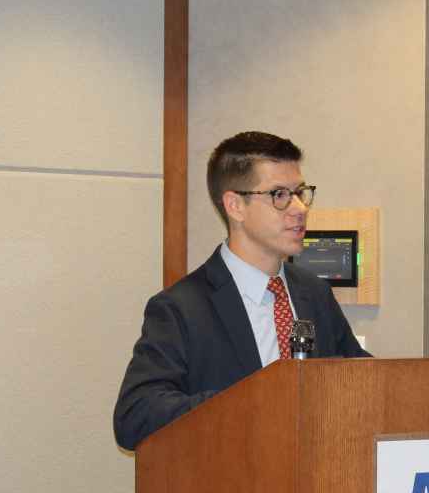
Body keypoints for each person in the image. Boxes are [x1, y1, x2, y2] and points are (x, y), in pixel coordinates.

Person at [113, 131, 370, 449]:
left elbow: (363, 382)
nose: (300, 208)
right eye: (280, 195)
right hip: (233, 489)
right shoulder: (181, 307)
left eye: (301, 192)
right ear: (235, 205)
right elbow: (136, 415)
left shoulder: (314, 293)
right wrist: (252, 400)